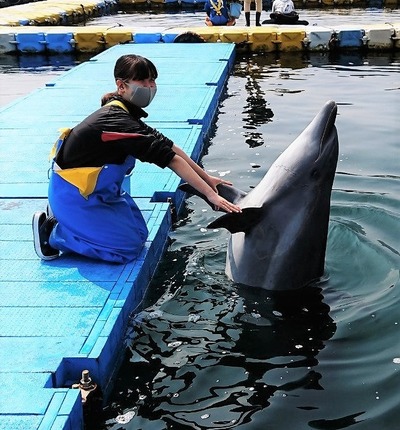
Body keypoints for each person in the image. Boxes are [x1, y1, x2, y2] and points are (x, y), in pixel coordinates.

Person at [32, 54, 241, 263]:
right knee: (125, 249)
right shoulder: (116, 121)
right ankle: (53, 232)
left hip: (99, 192)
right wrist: (210, 195)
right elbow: (172, 160)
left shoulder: (126, 112)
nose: (150, 86)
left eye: (152, 80)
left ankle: (70, 220)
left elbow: (172, 148)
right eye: (143, 81)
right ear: (121, 85)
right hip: (75, 195)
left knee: (140, 235)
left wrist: (207, 179)